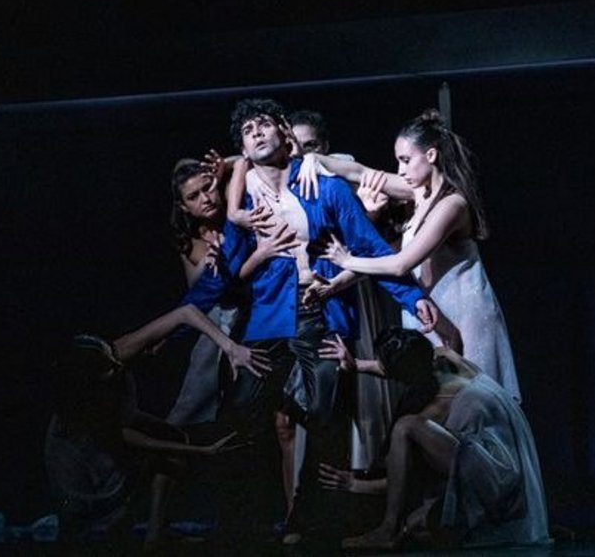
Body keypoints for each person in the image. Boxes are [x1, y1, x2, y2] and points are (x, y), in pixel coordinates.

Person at [183, 98, 438, 543]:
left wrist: (413, 296)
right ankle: (236, 523)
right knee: (241, 412)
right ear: (243, 148)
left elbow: (369, 246)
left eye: (263, 125)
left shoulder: (325, 186)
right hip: (267, 320)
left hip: (318, 312)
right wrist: (181, 314)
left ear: (284, 134)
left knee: (325, 413)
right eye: (247, 130)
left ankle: (311, 521)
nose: (256, 132)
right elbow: (227, 272)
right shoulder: (244, 200)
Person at [304, 110, 522, 401]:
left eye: (406, 160)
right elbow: (360, 173)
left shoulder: (453, 204)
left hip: (463, 311)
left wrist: (346, 260)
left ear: (431, 155)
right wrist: (312, 159)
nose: (400, 169)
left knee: (470, 402)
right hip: (428, 308)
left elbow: (401, 264)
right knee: (433, 399)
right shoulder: (415, 192)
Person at [45, 304, 268, 549]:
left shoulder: (119, 351)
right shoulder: (84, 400)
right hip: (83, 451)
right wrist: (204, 451)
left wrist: (230, 347)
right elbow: (130, 437)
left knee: (173, 437)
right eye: (109, 371)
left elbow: (186, 312)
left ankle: (154, 535)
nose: (117, 369)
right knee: (90, 528)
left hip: (115, 430)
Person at [317, 328, 549, 550]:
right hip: (499, 462)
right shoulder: (442, 355)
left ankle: (388, 530)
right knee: (416, 525)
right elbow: (400, 366)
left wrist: (356, 484)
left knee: (405, 426)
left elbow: (407, 476)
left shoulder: (440, 403)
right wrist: (356, 364)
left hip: (496, 478)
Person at [165, 159, 297, 427]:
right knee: (206, 392)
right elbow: (199, 292)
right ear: (184, 207)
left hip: (263, 303)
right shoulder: (189, 240)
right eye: (193, 196)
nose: (205, 199)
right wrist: (210, 261)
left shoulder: (236, 208)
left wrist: (223, 166)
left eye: (207, 188)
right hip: (223, 314)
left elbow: (247, 160)